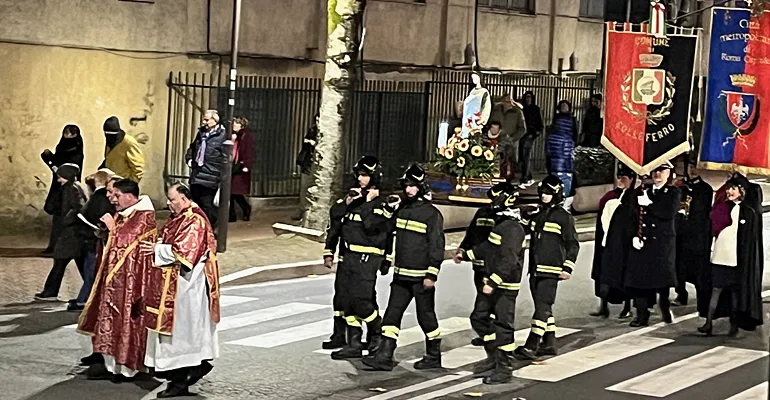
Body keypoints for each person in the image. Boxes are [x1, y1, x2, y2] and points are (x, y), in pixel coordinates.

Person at [363, 164, 445, 371]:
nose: (408, 190)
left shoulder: (431, 214)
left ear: (421, 187)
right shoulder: (401, 209)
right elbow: (384, 230)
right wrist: (385, 208)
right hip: (401, 276)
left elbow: (437, 246)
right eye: (406, 185)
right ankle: (384, 356)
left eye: (413, 186)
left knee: (425, 317)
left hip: (420, 277)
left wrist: (431, 274)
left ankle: (434, 355)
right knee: (391, 315)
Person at [141, 183, 220, 398]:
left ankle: (180, 381)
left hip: (186, 286)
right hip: (173, 284)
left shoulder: (194, 220)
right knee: (179, 333)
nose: (168, 203)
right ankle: (195, 367)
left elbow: (186, 253)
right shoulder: (180, 216)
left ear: (185, 198)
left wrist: (156, 248)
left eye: (172, 199)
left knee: (181, 333)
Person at [77, 179, 157, 381]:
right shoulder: (125, 213)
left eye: (117, 195)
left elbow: (127, 243)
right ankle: (109, 364)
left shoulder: (144, 216)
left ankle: (127, 367)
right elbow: (115, 241)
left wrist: (112, 228)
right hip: (115, 281)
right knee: (110, 321)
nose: (113, 200)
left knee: (126, 322)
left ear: (130, 196)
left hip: (132, 284)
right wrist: (104, 232)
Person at [330, 156, 396, 360]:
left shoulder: (381, 203)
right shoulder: (354, 197)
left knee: (362, 301)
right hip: (349, 256)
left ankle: (378, 332)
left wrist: (367, 202)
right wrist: (349, 201)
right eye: (359, 174)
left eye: (366, 175)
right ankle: (354, 343)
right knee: (347, 300)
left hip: (368, 257)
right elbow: (335, 216)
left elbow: (374, 226)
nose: (361, 179)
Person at [460, 185, 526, 384]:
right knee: (479, 317)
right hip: (493, 281)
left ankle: (504, 368)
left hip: (505, 286)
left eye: (495, 199)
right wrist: (466, 254)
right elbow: (488, 248)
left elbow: (509, 260)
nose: (492, 203)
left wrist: (494, 281)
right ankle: (493, 357)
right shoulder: (501, 224)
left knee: (503, 325)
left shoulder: (512, 228)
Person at [515, 175, 579, 360]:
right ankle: (550, 343)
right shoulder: (539, 214)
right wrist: (526, 216)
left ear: (557, 194)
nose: (544, 196)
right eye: (542, 192)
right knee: (543, 306)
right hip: (535, 269)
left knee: (542, 307)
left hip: (551, 270)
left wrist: (568, 267)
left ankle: (532, 344)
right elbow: (525, 230)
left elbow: (573, 244)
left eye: (548, 193)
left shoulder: (564, 218)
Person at [697, 177, 763, 336]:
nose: (729, 191)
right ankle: (708, 322)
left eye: (734, 188)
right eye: (728, 188)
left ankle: (734, 325)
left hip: (737, 259)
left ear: (742, 191)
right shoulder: (722, 207)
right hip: (720, 256)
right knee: (716, 290)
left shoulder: (749, 211)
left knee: (735, 292)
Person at [454, 182, 513, 346]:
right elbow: (472, 233)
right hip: (479, 265)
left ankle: (491, 335)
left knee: (488, 303)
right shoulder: (482, 213)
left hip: (494, 267)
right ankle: (487, 334)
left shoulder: (506, 220)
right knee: (484, 300)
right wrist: (463, 248)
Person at [624, 161, 680, 327]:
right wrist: (635, 235)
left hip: (662, 242)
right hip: (644, 241)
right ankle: (642, 313)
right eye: (655, 170)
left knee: (661, 280)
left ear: (669, 173)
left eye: (662, 171)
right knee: (639, 280)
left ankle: (664, 306)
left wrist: (651, 204)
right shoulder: (643, 191)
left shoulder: (673, 192)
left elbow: (668, 213)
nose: (657, 174)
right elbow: (633, 214)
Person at [35, 164, 87, 301]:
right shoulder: (74, 187)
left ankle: (50, 292)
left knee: (61, 261)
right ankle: (92, 290)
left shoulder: (72, 189)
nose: (59, 180)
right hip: (74, 233)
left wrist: (66, 221)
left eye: (61, 177)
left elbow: (78, 208)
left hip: (71, 233)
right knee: (77, 263)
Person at [590, 163, 635, 319]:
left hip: (623, 244)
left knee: (624, 275)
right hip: (605, 242)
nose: (620, 180)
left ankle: (627, 307)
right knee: (603, 275)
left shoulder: (634, 198)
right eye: (619, 177)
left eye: (624, 177)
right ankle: (603, 306)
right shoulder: (609, 197)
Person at [69, 170, 116, 312]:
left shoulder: (100, 197)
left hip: (93, 239)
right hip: (91, 238)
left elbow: (99, 215)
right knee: (90, 270)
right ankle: (86, 298)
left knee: (91, 271)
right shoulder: (101, 197)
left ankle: (83, 300)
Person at [673, 161, 713, 307]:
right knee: (679, 266)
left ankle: (702, 297)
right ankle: (681, 293)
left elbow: (704, 214)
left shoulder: (705, 189)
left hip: (697, 235)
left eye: (695, 167)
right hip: (680, 233)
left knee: (698, 269)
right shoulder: (680, 187)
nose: (693, 170)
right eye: (690, 167)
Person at [41, 124, 84, 256]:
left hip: (68, 188)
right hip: (58, 186)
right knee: (57, 217)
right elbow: (57, 162)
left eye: (71, 134)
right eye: (66, 133)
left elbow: (70, 170)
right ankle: (54, 246)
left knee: (66, 217)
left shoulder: (76, 150)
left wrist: (56, 169)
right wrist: (49, 159)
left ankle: (63, 248)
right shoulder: (61, 147)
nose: (68, 136)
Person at [185, 110, 227, 228]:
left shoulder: (222, 136)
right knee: (195, 204)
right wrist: (189, 159)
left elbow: (226, 158)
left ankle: (209, 228)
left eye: (207, 120)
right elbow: (193, 148)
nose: (204, 122)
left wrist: (220, 176)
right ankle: (199, 229)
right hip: (196, 175)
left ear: (215, 120)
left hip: (210, 176)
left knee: (207, 205)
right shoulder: (201, 133)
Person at [545, 100, 578, 204]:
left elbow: (575, 133)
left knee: (565, 174)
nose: (564, 108)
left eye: (566, 106)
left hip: (566, 148)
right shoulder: (556, 119)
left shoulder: (572, 119)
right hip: (557, 149)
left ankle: (563, 195)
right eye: (562, 106)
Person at [491, 94, 527, 182]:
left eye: (510, 101)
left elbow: (522, 129)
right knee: (496, 164)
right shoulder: (495, 111)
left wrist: (513, 138)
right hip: (496, 141)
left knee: (510, 164)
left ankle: (509, 182)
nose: (509, 103)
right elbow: (490, 123)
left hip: (511, 143)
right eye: (506, 101)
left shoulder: (518, 112)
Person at [102, 116, 144, 182]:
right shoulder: (110, 141)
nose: (109, 137)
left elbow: (138, 169)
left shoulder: (129, 143)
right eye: (106, 134)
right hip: (111, 183)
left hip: (123, 184)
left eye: (112, 134)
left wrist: (130, 185)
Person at [229, 117, 254, 222]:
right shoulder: (233, 135)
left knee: (235, 192)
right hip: (232, 165)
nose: (234, 125)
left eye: (237, 123)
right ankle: (232, 215)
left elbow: (248, 151)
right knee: (230, 192)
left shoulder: (246, 136)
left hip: (240, 166)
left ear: (242, 125)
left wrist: (246, 165)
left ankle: (245, 209)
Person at [296, 113, 320, 220]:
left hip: (319, 165)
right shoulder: (312, 130)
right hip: (308, 162)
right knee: (305, 187)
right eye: (317, 120)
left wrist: (315, 144)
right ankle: (303, 209)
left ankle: (310, 211)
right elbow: (306, 144)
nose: (318, 122)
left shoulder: (327, 132)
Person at [519, 91, 543, 188]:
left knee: (526, 156)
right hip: (521, 134)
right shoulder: (523, 109)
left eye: (530, 97)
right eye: (526, 97)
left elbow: (540, 124)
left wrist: (535, 133)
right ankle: (527, 176)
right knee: (522, 156)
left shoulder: (535, 109)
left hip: (530, 134)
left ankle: (525, 177)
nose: (528, 99)